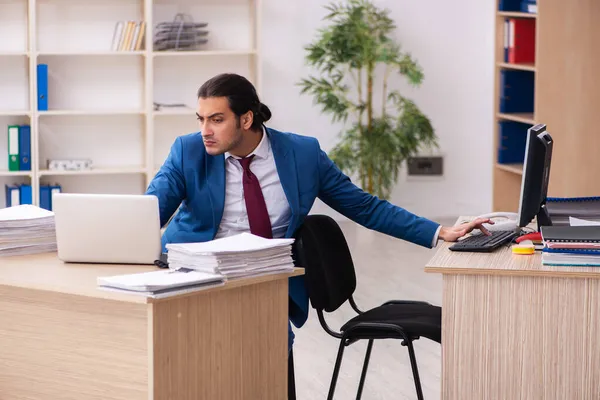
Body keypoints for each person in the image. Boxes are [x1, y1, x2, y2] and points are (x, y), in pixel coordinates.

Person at [145, 72, 491, 393]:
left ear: (246, 119)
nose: (205, 129)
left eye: (216, 120)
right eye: (201, 119)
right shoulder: (188, 151)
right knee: (188, 366)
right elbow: (148, 211)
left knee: (262, 362)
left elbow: (363, 207)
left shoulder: (301, 154)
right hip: (194, 279)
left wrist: (439, 231)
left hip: (265, 282)